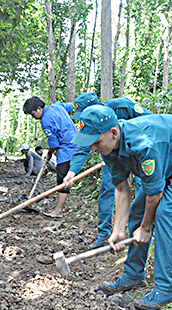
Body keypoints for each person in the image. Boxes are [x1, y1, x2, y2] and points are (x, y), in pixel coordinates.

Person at [72, 106, 172, 310]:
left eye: (95, 142)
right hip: (169, 159)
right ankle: (133, 275)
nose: (93, 148)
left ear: (113, 132)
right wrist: (118, 230)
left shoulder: (144, 144)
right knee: (138, 211)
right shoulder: (108, 148)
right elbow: (122, 189)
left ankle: (166, 289)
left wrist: (146, 228)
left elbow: (155, 194)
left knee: (168, 211)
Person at [65, 93, 152, 248]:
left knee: (144, 189)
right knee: (108, 189)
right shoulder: (90, 125)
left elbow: (150, 124)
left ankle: (142, 232)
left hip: (141, 155)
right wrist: (72, 172)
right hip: (112, 156)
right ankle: (104, 233)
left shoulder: (122, 106)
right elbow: (84, 148)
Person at [23, 97, 79, 218]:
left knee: (62, 179)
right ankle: (59, 209)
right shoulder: (57, 106)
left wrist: (49, 153)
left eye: (33, 114)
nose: (34, 118)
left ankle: (58, 211)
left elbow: (54, 144)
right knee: (64, 176)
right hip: (77, 142)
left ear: (39, 109)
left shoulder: (45, 121)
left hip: (67, 148)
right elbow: (73, 107)